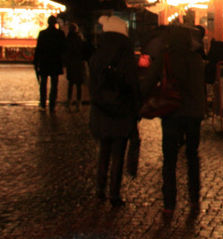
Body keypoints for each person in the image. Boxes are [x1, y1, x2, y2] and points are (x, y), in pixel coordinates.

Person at [142, 24, 207, 217]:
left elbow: (149, 82)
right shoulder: (196, 59)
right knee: (192, 155)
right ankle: (194, 199)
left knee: (169, 158)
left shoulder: (166, 57)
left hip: (172, 111)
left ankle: (169, 202)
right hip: (194, 113)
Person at [88, 15, 139, 206]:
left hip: (101, 110)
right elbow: (133, 86)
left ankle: (99, 188)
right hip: (121, 111)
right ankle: (114, 193)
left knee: (104, 151)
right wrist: (136, 109)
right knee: (118, 153)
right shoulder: (126, 57)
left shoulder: (97, 56)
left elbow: (92, 84)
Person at [33, 15, 66, 112]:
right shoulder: (60, 34)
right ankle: (52, 104)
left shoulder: (43, 33)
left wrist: (36, 62)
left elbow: (38, 49)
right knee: (54, 85)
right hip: (55, 61)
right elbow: (63, 48)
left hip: (44, 61)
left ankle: (43, 103)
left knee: (43, 83)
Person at [64, 23, 89, 110]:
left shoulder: (67, 39)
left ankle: (69, 100)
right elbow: (84, 51)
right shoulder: (79, 39)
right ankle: (78, 102)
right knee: (78, 84)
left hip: (71, 63)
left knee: (70, 83)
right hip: (78, 63)